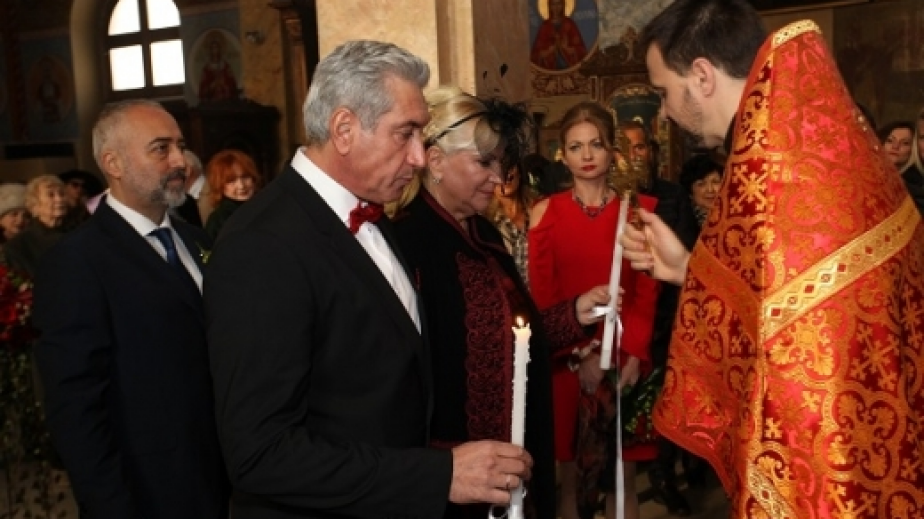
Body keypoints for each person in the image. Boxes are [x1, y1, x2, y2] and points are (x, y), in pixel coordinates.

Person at [204, 40, 534, 519]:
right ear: (344, 129)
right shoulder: (262, 244)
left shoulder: (373, 216)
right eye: (406, 134)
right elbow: (261, 455)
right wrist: (437, 475)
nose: (419, 157)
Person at [624, 0, 924, 516]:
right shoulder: (806, 142)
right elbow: (779, 295)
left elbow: (793, 342)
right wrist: (688, 269)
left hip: (828, 454)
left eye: (663, 92)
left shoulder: (775, 167)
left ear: (701, 76)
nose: (665, 113)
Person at [390, 86, 610, 519]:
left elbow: (512, 336)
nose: (497, 177)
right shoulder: (408, 241)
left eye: (500, 163)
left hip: (512, 464)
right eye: (483, 163)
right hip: (456, 478)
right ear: (436, 161)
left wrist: (573, 315)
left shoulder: (483, 234)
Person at [32, 99, 229, 519]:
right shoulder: (77, 262)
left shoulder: (197, 241)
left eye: (180, 146)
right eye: (161, 149)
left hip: (225, 480)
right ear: (113, 163)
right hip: (149, 491)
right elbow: (75, 407)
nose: (180, 161)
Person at [528, 101, 660, 519]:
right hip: (568, 361)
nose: (586, 155)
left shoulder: (639, 212)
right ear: (562, 155)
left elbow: (646, 292)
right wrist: (579, 355)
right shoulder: (545, 214)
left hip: (624, 358)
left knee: (624, 480)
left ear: (611, 150)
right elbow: (544, 299)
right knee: (572, 480)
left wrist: (634, 354)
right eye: (575, 146)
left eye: (596, 144)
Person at [617, 120, 699, 517]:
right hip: (627, 313)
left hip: (670, 313)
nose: (634, 156)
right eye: (626, 149)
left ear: (651, 151)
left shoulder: (672, 195)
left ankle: (666, 473)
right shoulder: (616, 200)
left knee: (669, 398)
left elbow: (685, 249)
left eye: (640, 148)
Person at [486, 154, 537, 286]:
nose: (504, 173)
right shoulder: (483, 221)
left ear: (519, 171)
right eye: (497, 168)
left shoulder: (540, 211)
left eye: (509, 166)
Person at [4, 175, 68, 276]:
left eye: (62, 194)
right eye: (51, 195)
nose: (59, 199)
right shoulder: (18, 245)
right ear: (35, 205)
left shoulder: (79, 233)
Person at [203, 149, 261, 239]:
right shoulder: (218, 220)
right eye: (231, 181)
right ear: (219, 185)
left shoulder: (265, 207)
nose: (241, 186)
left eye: (245, 177)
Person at [530, 0, 588, 70]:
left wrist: (568, 49)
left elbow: (581, 50)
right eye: (553, 4)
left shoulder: (569, 24)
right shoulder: (545, 26)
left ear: (563, 5)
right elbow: (536, 53)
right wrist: (548, 51)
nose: (556, 7)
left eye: (559, 4)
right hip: (550, 68)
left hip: (568, 66)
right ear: (549, 6)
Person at [676, 153, 723, 227]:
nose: (710, 190)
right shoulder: (682, 221)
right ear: (690, 192)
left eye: (715, 182)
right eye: (701, 184)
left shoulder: (734, 217)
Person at [198, 32, 239, 102]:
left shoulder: (225, 66)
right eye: (213, 48)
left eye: (216, 47)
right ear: (210, 50)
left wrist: (224, 84)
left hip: (226, 102)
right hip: (212, 103)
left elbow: (232, 85)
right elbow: (202, 91)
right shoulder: (206, 69)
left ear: (220, 49)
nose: (215, 50)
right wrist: (212, 85)